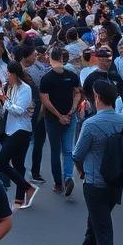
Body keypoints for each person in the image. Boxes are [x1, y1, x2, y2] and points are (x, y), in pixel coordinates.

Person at [69, 79, 123, 245]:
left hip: (95, 183)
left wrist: (81, 171)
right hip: (115, 184)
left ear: (96, 97)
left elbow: (77, 154)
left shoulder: (91, 124)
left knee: (102, 231)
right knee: (95, 225)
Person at [39, 46, 82, 197]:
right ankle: (68, 177)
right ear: (63, 59)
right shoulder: (72, 75)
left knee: (55, 151)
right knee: (68, 150)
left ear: (51, 59)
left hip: (53, 120)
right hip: (70, 116)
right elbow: (77, 93)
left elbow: (45, 100)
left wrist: (58, 115)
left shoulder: (46, 78)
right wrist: (72, 109)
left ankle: (58, 184)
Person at [0, 60, 38, 210]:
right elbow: (8, 109)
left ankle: (28, 187)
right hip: (10, 129)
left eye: (9, 73)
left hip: (21, 130)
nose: (7, 75)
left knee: (2, 162)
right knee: (18, 164)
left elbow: (20, 110)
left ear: (14, 74)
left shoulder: (25, 89)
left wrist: (5, 102)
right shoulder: (10, 87)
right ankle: (19, 199)